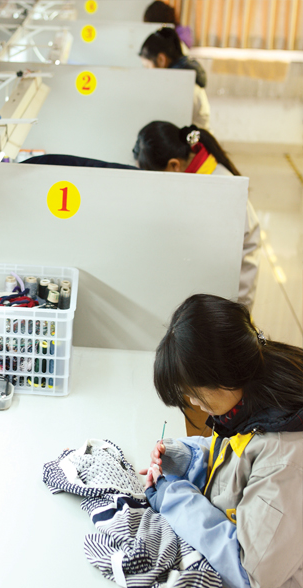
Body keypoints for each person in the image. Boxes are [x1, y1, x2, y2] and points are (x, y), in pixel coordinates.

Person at [139, 293, 303, 588]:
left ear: (225, 376)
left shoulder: (284, 461)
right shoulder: (252, 393)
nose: (192, 402)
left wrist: (172, 497)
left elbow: (249, 575)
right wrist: (187, 458)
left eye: (194, 392)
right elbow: (239, 458)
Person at [133, 121, 260, 309]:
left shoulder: (219, 192)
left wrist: (238, 315)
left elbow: (241, 263)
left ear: (174, 165)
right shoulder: (199, 174)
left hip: (226, 305)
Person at [139, 27, 209, 129]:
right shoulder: (184, 78)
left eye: (147, 67)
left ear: (161, 60)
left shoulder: (181, 87)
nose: (147, 73)